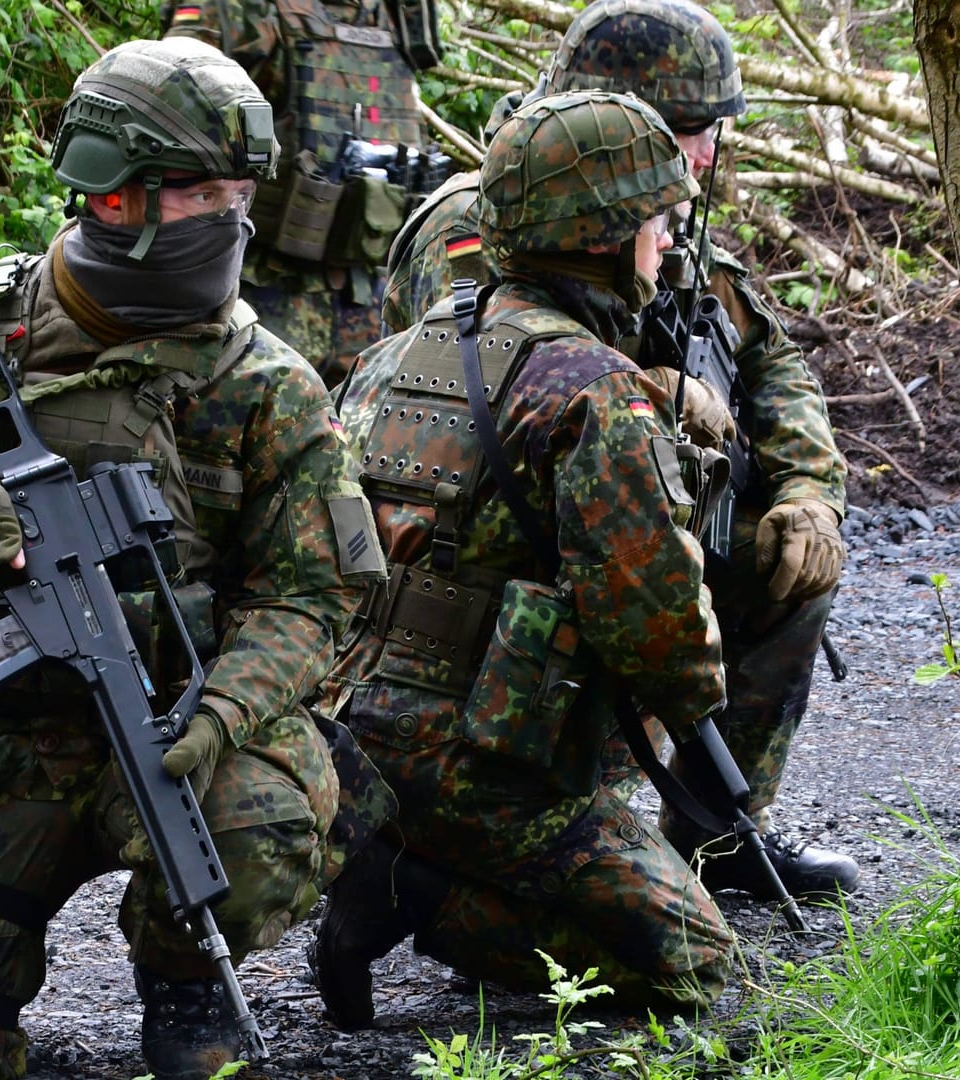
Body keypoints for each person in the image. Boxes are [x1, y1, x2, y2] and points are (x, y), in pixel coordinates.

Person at [0, 38, 382, 1080]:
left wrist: (224, 714)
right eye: (201, 194)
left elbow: (313, 594)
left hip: (181, 730)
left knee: (253, 829)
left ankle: (190, 984)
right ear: (114, 198)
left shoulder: (266, 383)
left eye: (242, 194)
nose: (233, 219)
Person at [380, 0, 857, 901]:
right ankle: (486, 843)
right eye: (686, 130)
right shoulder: (476, 224)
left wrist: (808, 489)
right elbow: (471, 388)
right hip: (501, 546)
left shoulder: (661, 211)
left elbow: (765, 351)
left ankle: (716, 834)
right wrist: (655, 391)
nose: (708, 154)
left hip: (622, 503)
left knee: (786, 554)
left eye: (710, 130)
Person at [308, 89, 736, 1031]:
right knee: (694, 966)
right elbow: (656, 629)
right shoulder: (596, 389)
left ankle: (387, 857)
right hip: (485, 760)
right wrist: (699, 695)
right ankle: (411, 895)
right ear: (601, 234)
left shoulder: (391, 356)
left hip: (341, 736)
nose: (666, 245)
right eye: (656, 222)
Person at [161, 0, 437, 386]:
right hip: (268, 294)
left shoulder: (396, 13)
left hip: (377, 293)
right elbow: (166, 107)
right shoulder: (244, 9)